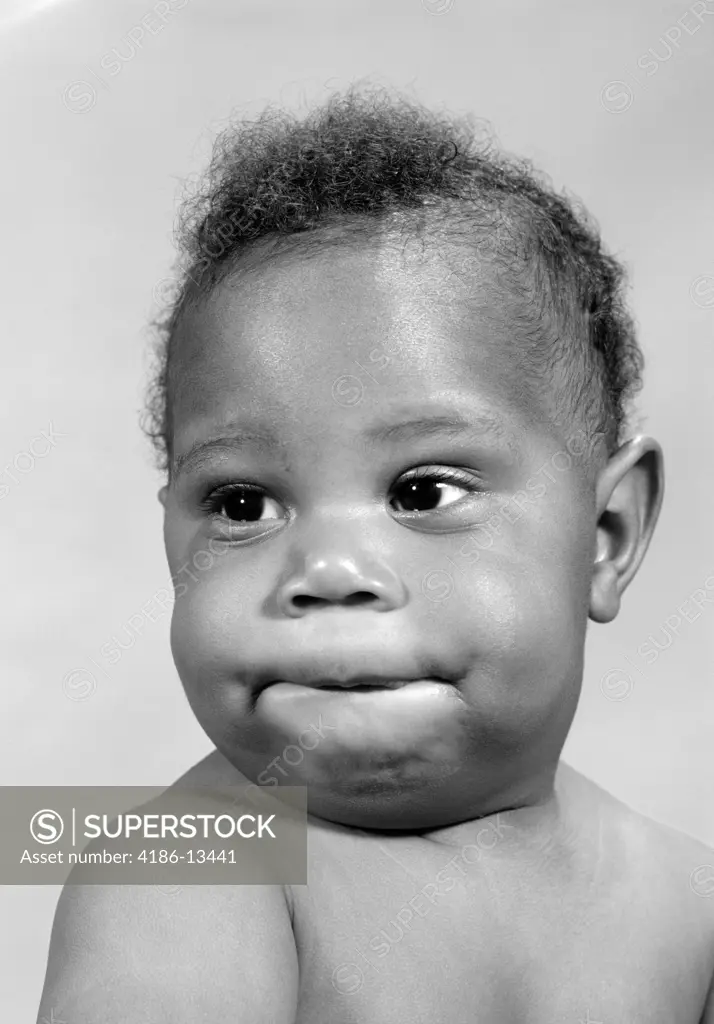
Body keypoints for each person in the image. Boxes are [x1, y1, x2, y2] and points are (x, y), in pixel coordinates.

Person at [38, 87, 714, 1022]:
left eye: (422, 493)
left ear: (607, 536)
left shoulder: (690, 903)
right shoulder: (192, 866)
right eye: (243, 504)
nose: (327, 571)